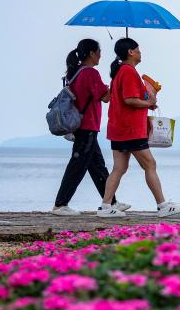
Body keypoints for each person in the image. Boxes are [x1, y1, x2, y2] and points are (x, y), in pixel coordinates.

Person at [97, 38, 180, 218]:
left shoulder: (120, 72)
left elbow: (126, 99)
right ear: (130, 52)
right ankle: (162, 206)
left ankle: (105, 206)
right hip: (130, 129)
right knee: (150, 164)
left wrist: (147, 103)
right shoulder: (128, 71)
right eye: (138, 50)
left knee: (119, 168)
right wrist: (149, 102)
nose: (140, 52)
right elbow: (129, 99)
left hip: (118, 128)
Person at [51, 39, 130, 215]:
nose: (100, 55)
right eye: (99, 52)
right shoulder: (90, 73)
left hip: (83, 126)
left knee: (97, 166)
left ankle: (111, 202)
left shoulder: (76, 72)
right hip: (87, 126)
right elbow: (106, 97)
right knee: (78, 165)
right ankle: (60, 204)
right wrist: (117, 77)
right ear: (92, 53)